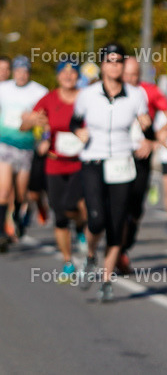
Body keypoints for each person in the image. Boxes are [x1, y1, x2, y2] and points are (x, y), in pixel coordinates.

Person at [72, 43, 154, 301]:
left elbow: (148, 131)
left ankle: (106, 280)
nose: (115, 65)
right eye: (110, 60)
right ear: (102, 64)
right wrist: (78, 131)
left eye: (119, 60)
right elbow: (74, 121)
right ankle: (89, 256)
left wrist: (148, 135)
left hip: (121, 161)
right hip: (94, 160)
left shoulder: (136, 95)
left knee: (117, 224)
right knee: (96, 219)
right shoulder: (87, 94)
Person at [24, 61, 87, 279]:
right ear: (58, 76)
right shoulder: (49, 98)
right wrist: (33, 121)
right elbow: (25, 123)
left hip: (81, 162)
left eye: (73, 73)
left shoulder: (86, 97)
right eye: (64, 73)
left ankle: (81, 227)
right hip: (54, 162)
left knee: (77, 205)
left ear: (78, 76)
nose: (69, 76)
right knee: (59, 215)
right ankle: (68, 261)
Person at [120, 55, 167, 273]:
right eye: (126, 75)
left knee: (135, 207)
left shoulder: (150, 91)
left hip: (140, 155)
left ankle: (123, 248)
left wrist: (154, 140)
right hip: (116, 154)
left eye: (135, 75)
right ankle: (116, 249)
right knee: (116, 205)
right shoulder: (108, 91)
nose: (131, 79)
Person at [0, 56, 48, 252]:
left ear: (29, 72)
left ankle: (19, 216)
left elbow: (46, 118)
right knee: (3, 191)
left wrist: (44, 137)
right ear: (13, 72)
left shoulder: (39, 92)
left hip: (27, 147)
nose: (21, 74)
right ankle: (2, 232)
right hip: (5, 144)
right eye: (18, 70)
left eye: (25, 71)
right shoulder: (3, 89)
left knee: (21, 193)